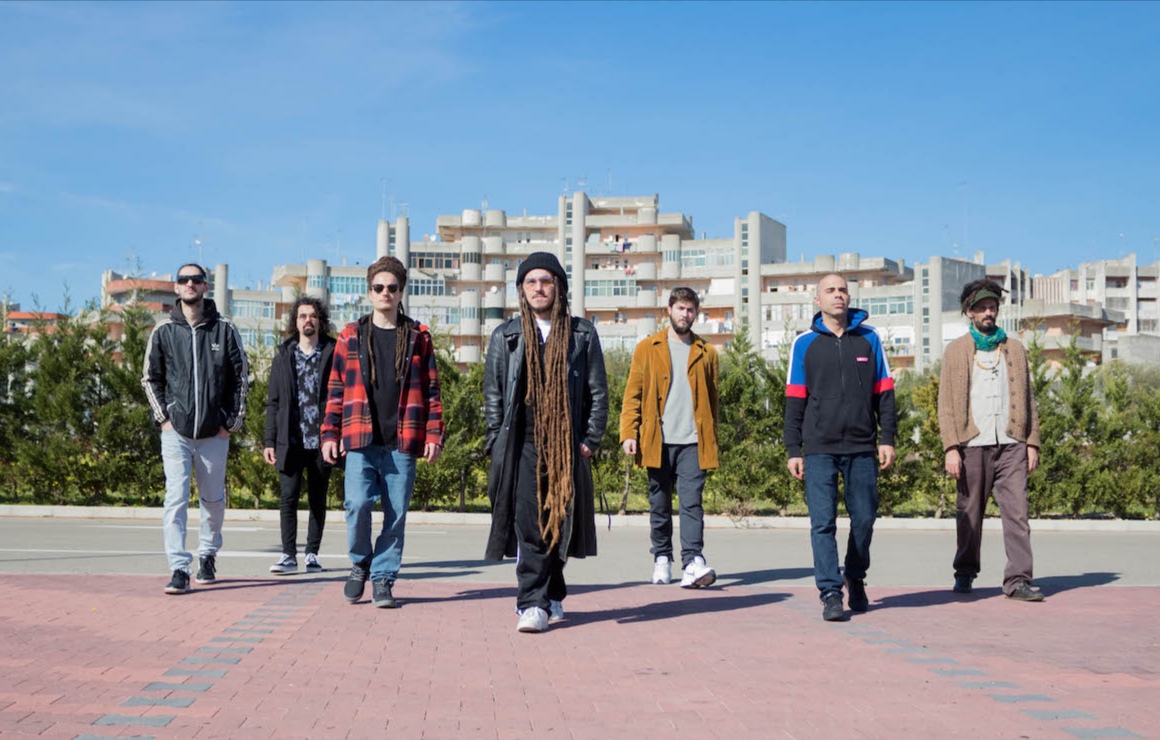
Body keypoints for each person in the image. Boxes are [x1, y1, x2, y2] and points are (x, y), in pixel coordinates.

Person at [483, 251, 608, 633]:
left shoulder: (581, 333)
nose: (538, 288)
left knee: (560, 523)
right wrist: (495, 442)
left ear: (559, 287)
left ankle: (552, 590)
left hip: (566, 445)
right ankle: (531, 604)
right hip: (522, 443)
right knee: (530, 525)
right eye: (531, 281)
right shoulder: (506, 335)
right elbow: (493, 395)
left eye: (546, 281)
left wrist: (590, 438)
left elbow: (598, 392)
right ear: (521, 290)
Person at [320, 256, 444, 609]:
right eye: (378, 287)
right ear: (369, 292)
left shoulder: (418, 336)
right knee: (357, 505)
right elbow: (336, 389)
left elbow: (432, 390)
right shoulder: (351, 336)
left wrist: (434, 434)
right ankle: (360, 562)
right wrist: (329, 434)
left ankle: (383, 578)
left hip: (403, 440)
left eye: (392, 287)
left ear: (401, 292)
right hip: (360, 439)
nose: (385, 293)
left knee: (396, 513)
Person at [783, 273, 896, 621]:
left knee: (865, 519)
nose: (838, 295)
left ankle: (855, 576)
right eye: (830, 290)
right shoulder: (804, 344)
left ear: (849, 297)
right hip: (819, 448)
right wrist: (793, 449)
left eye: (842, 290)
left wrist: (887, 439)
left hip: (862, 446)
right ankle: (830, 592)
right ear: (817, 300)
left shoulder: (869, 338)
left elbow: (885, 392)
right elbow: (794, 400)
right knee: (823, 523)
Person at [143, 263, 249, 595]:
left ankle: (208, 554)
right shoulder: (163, 331)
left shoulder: (224, 329)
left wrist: (231, 422)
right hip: (176, 433)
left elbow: (241, 377)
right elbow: (150, 378)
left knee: (213, 501)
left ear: (205, 286)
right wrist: (164, 418)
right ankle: (178, 567)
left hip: (214, 433)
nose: (190, 283)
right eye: (184, 279)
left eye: (197, 279)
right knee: (175, 499)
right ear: (176, 287)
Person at [939, 279, 1045, 602]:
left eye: (992, 307)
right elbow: (946, 403)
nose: (988, 312)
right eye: (982, 307)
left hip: (1012, 443)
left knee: (1017, 513)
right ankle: (965, 571)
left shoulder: (1014, 348)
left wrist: (1032, 442)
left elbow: (1028, 397)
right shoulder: (956, 350)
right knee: (969, 513)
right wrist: (951, 447)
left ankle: (1018, 580)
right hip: (971, 444)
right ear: (969, 312)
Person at [620, 286, 719, 588]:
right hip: (657, 440)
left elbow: (713, 400)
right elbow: (633, 394)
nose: (685, 314)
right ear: (669, 311)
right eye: (680, 308)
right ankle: (662, 557)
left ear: (695, 314)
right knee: (659, 503)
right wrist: (629, 433)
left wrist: (711, 437)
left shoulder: (707, 352)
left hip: (693, 441)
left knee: (692, 503)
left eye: (690, 310)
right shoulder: (647, 348)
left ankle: (693, 561)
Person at [264, 296, 336, 575]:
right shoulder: (283, 356)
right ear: (295, 322)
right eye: (302, 316)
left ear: (320, 321)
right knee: (288, 498)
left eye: (313, 316)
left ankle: (312, 555)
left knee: (318, 500)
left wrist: (338, 434)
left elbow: (341, 397)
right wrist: (269, 440)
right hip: (290, 440)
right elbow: (273, 402)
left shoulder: (333, 352)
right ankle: (288, 555)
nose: (308, 320)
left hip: (322, 441)